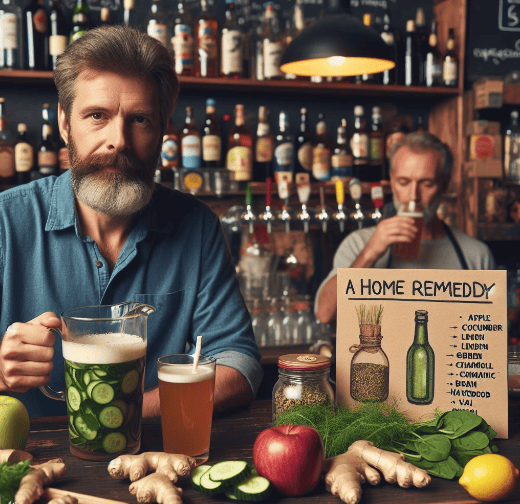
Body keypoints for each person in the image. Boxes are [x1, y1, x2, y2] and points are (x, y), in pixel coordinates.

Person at [0, 25, 263, 418]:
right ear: (65, 122)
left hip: (160, 462)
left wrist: (118, 412)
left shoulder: (198, 226)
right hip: (35, 466)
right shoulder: (6, 221)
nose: (118, 140)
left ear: (162, 132)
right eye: (97, 116)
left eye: (139, 119)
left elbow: (238, 367)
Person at [316, 131, 496, 324]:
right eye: (404, 182)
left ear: (444, 185)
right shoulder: (359, 244)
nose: (413, 196)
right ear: (392, 182)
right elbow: (325, 314)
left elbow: (490, 332)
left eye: (426, 184)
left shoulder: (476, 256)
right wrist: (370, 253)